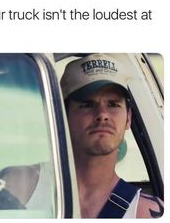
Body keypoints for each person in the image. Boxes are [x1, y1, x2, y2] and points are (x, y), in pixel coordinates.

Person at [60, 53, 164, 218]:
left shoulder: (146, 212)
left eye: (113, 104)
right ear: (63, 116)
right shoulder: (25, 186)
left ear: (128, 118)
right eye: (87, 104)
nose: (102, 114)